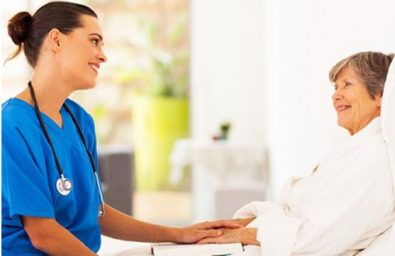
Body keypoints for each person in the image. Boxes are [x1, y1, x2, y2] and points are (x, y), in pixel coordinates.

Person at [1, 2, 240, 255]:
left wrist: (179, 233)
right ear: (57, 41)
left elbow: (96, 212)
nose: (103, 55)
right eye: (94, 41)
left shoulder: (80, 121)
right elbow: (43, 234)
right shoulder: (11, 125)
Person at [199, 52, 395, 255]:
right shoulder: (353, 151)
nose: (335, 95)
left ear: (380, 95)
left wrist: (244, 234)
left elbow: (315, 241)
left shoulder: (373, 159)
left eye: (347, 84)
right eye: (336, 87)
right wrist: (239, 225)